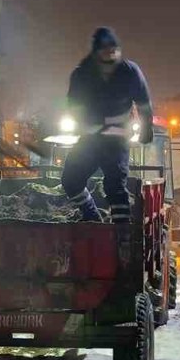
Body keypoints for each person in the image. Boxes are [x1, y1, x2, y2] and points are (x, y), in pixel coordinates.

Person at [61, 27, 154, 222]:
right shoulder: (82, 75)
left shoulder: (129, 72)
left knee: (115, 187)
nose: (110, 58)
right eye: (104, 53)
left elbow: (143, 102)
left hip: (117, 138)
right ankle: (91, 216)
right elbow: (73, 105)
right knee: (71, 180)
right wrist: (85, 123)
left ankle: (122, 233)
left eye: (113, 52)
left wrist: (146, 127)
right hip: (91, 138)